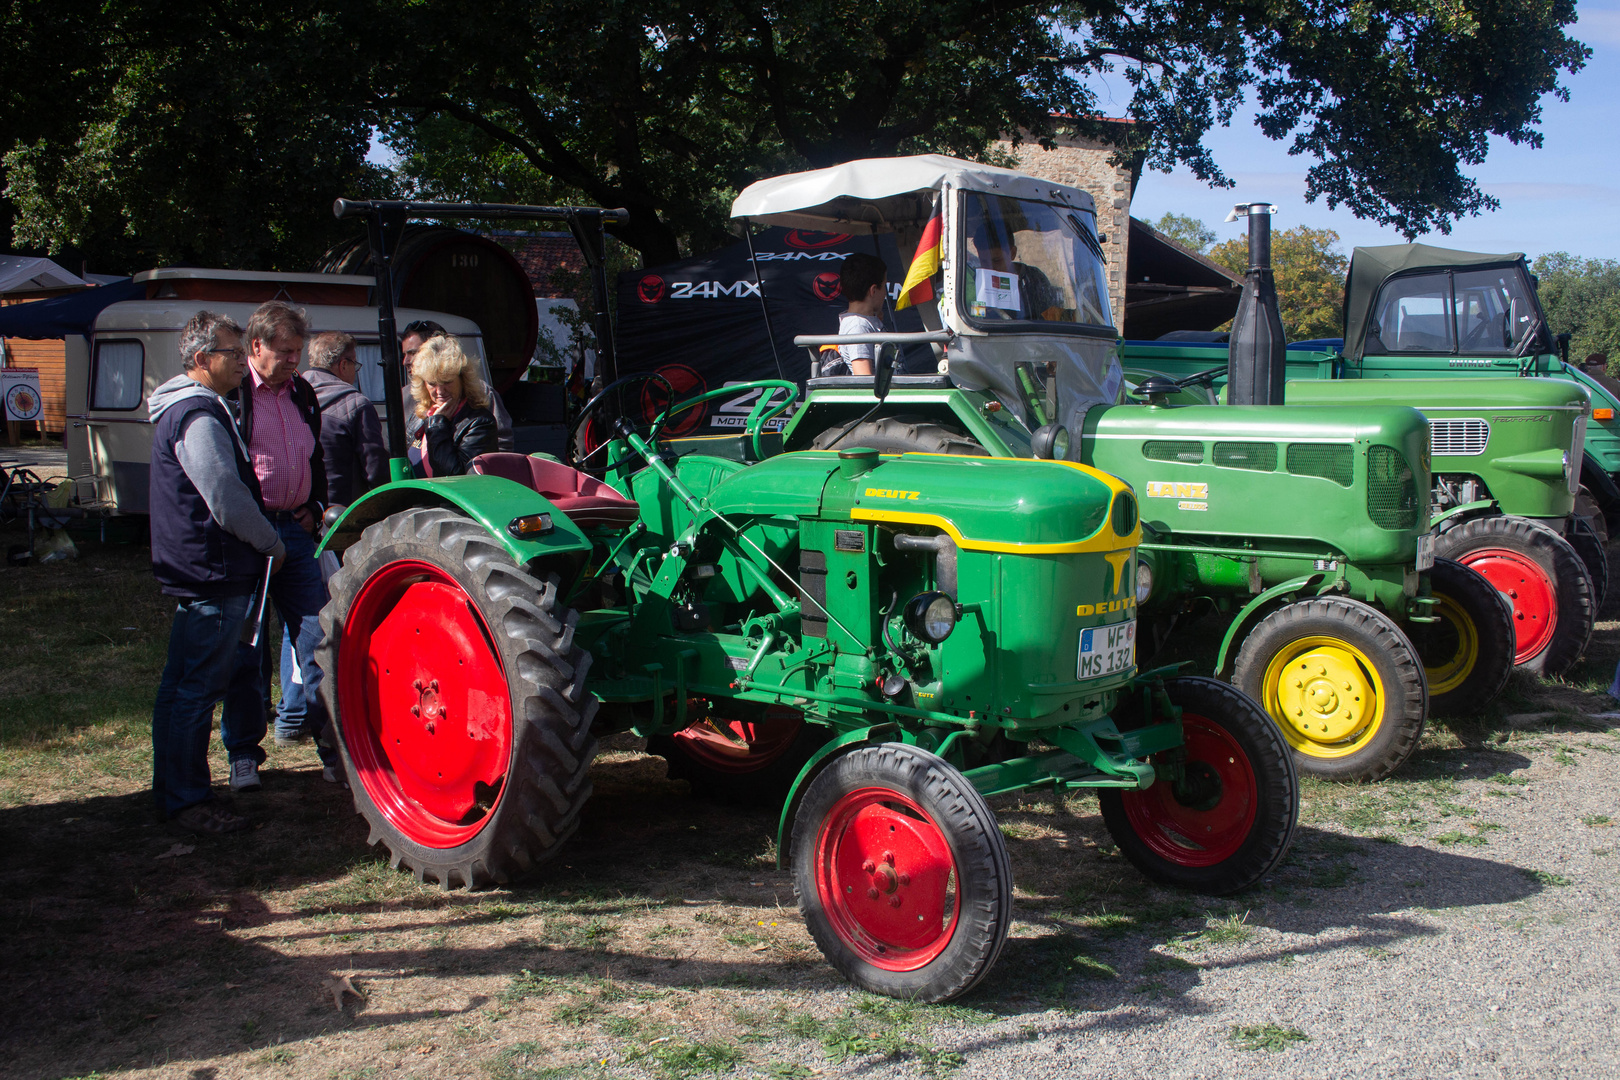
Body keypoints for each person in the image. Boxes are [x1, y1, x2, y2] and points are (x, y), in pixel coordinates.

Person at [148, 311, 285, 834]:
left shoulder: (191, 409)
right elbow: (225, 496)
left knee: (181, 687)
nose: (241, 360)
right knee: (198, 689)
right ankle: (186, 800)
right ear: (202, 360)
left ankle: (173, 792)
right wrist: (269, 542)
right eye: (232, 352)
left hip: (204, 568)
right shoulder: (198, 415)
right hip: (216, 569)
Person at [223, 301, 341, 786]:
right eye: (286, 350)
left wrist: (314, 505)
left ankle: (332, 746)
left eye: (298, 351)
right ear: (257, 346)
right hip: (248, 535)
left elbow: (315, 458)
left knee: (319, 637)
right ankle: (243, 753)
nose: (295, 359)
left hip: (296, 531)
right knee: (247, 647)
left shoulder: (303, 394)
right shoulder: (233, 396)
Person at [400, 320, 515, 451]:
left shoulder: (483, 393)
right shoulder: (407, 395)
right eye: (432, 384)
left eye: (413, 353)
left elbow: (502, 445)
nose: (406, 361)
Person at [302, 331, 388, 506]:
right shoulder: (356, 404)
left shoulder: (292, 394)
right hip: (343, 512)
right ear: (343, 365)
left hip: (304, 511)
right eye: (355, 365)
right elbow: (375, 468)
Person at [411, 334, 500, 476]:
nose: (440, 391)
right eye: (432, 383)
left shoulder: (479, 422)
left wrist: (438, 427)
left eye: (447, 381)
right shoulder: (421, 416)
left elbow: (455, 475)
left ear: (463, 379)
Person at [824, 253, 887, 377]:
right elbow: (864, 378)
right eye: (884, 286)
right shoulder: (858, 326)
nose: (885, 293)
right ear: (873, 290)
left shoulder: (863, 322)